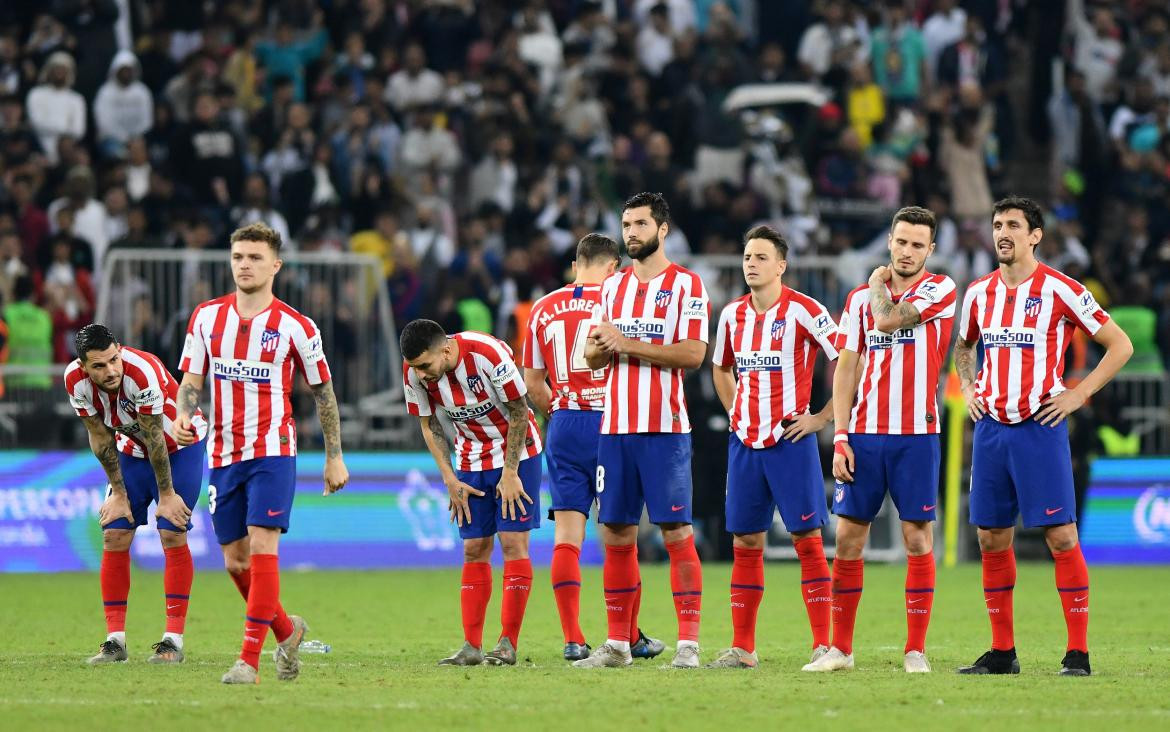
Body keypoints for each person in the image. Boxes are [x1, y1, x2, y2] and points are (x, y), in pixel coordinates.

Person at [953, 196, 1133, 677]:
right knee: (991, 538)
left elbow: (1120, 344)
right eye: (996, 225)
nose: (1002, 233)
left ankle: (1077, 653)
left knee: (1060, 536)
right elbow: (964, 345)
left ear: (1035, 235)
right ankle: (1002, 653)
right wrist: (970, 386)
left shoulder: (1062, 289)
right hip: (991, 430)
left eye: (1013, 225)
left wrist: (1079, 394)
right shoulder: (978, 293)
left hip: (1040, 426)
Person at [173, 221, 350, 684]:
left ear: (276, 265)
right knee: (235, 560)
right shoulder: (207, 318)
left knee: (263, 545)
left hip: (273, 449)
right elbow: (191, 380)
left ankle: (248, 660)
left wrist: (334, 455)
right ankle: (288, 633)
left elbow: (323, 394)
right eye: (238, 257)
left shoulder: (297, 326)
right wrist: (182, 416)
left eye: (254, 257)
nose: (244, 265)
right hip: (224, 453)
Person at [805, 206, 957, 674]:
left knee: (916, 538)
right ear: (889, 241)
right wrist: (842, 435)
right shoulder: (854, 302)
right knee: (848, 539)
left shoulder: (940, 288)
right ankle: (841, 650)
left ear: (930, 250)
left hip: (916, 434)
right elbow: (846, 366)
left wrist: (875, 283)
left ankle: (915, 650)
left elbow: (890, 319)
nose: (908, 251)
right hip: (865, 436)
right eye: (901, 241)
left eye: (917, 244)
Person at [574, 192, 710, 669]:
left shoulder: (688, 286)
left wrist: (626, 344)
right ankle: (616, 644)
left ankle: (688, 644)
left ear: (663, 229)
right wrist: (598, 349)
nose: (630, 232)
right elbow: (593, 356)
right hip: (615, 427)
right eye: (626, 224)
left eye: (639, 224)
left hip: (665, 428)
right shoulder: (612, 288)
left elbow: (693, 355)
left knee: (675, 531)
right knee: (614, 532)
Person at [520, 233, 665, 663]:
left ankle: (572, 637)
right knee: (621, 535)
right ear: (612, 265)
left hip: (564, 423)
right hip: (614, 421)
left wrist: (563, 411)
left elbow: (532, 383)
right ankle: (629, 635)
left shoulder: (542, 307)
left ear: (575, 263)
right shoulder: (619, 298)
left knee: (567, 533)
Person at [708, 225, 839, 669]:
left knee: (807, 541)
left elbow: (846, 359)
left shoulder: (806, 310)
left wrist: (821, 418)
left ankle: (823, 644)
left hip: (790, 440)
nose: (751, 263)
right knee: (745, 541)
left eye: (761, 257)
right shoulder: (731, 316)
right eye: (747, 256)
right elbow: (721, 369)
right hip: (744, 443)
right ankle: (743, 648)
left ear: (781, 265)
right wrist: (735, 412)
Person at [400, 319, 544, 667]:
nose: (421, 375)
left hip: (518, 451)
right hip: (470, 458)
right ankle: (471, 646)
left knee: (512, 543)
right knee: (474, 547)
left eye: (425, 366)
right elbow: (429, 423)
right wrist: (448, 477)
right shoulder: (413, 373)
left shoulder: (487, 354)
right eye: (415, 368)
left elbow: (520, 410)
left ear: (446, 350)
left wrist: (510, 472)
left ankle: (507, 643)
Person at [66, 325, 206, 665]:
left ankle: (172, 640)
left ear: (120, 349)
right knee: (114, 531)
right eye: (99, 366)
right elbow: (99, 437)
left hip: (178, 446)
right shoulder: (74, 382)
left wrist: (168, 495)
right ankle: (115, 642)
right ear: (83, 366)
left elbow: (155, 436)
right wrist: (117, 491)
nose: (110, 371)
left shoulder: (142, 372)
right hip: (132, 449)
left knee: (172, 533)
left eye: (114, 360)